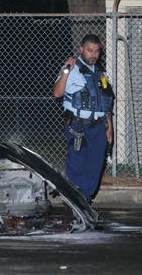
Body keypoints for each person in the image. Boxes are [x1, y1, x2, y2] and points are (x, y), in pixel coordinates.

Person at [53, 34, 114, 202]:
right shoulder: (71, 69)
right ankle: (73, 200)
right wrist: (66, 69)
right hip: (78, 126)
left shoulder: (101, 73)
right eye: (89, 50)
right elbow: (57, 93)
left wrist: (110, 127)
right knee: (77, 164)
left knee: (95, 165)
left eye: (96, 51)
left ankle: (85, 200)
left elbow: (106, 102)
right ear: (81, 49)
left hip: (99, 125)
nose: (93, 54)